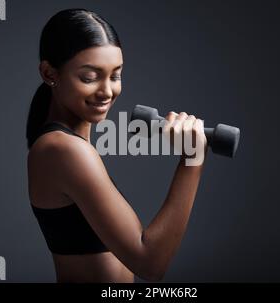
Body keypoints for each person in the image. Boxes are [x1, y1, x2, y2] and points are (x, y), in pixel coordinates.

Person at [26, 8, 207, 282]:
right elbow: (150, 264)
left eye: (115, 75)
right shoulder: (63, 150)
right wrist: (192, 160)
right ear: (49, 72)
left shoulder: (70, 146)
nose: (107, 91)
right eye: (89, 77)